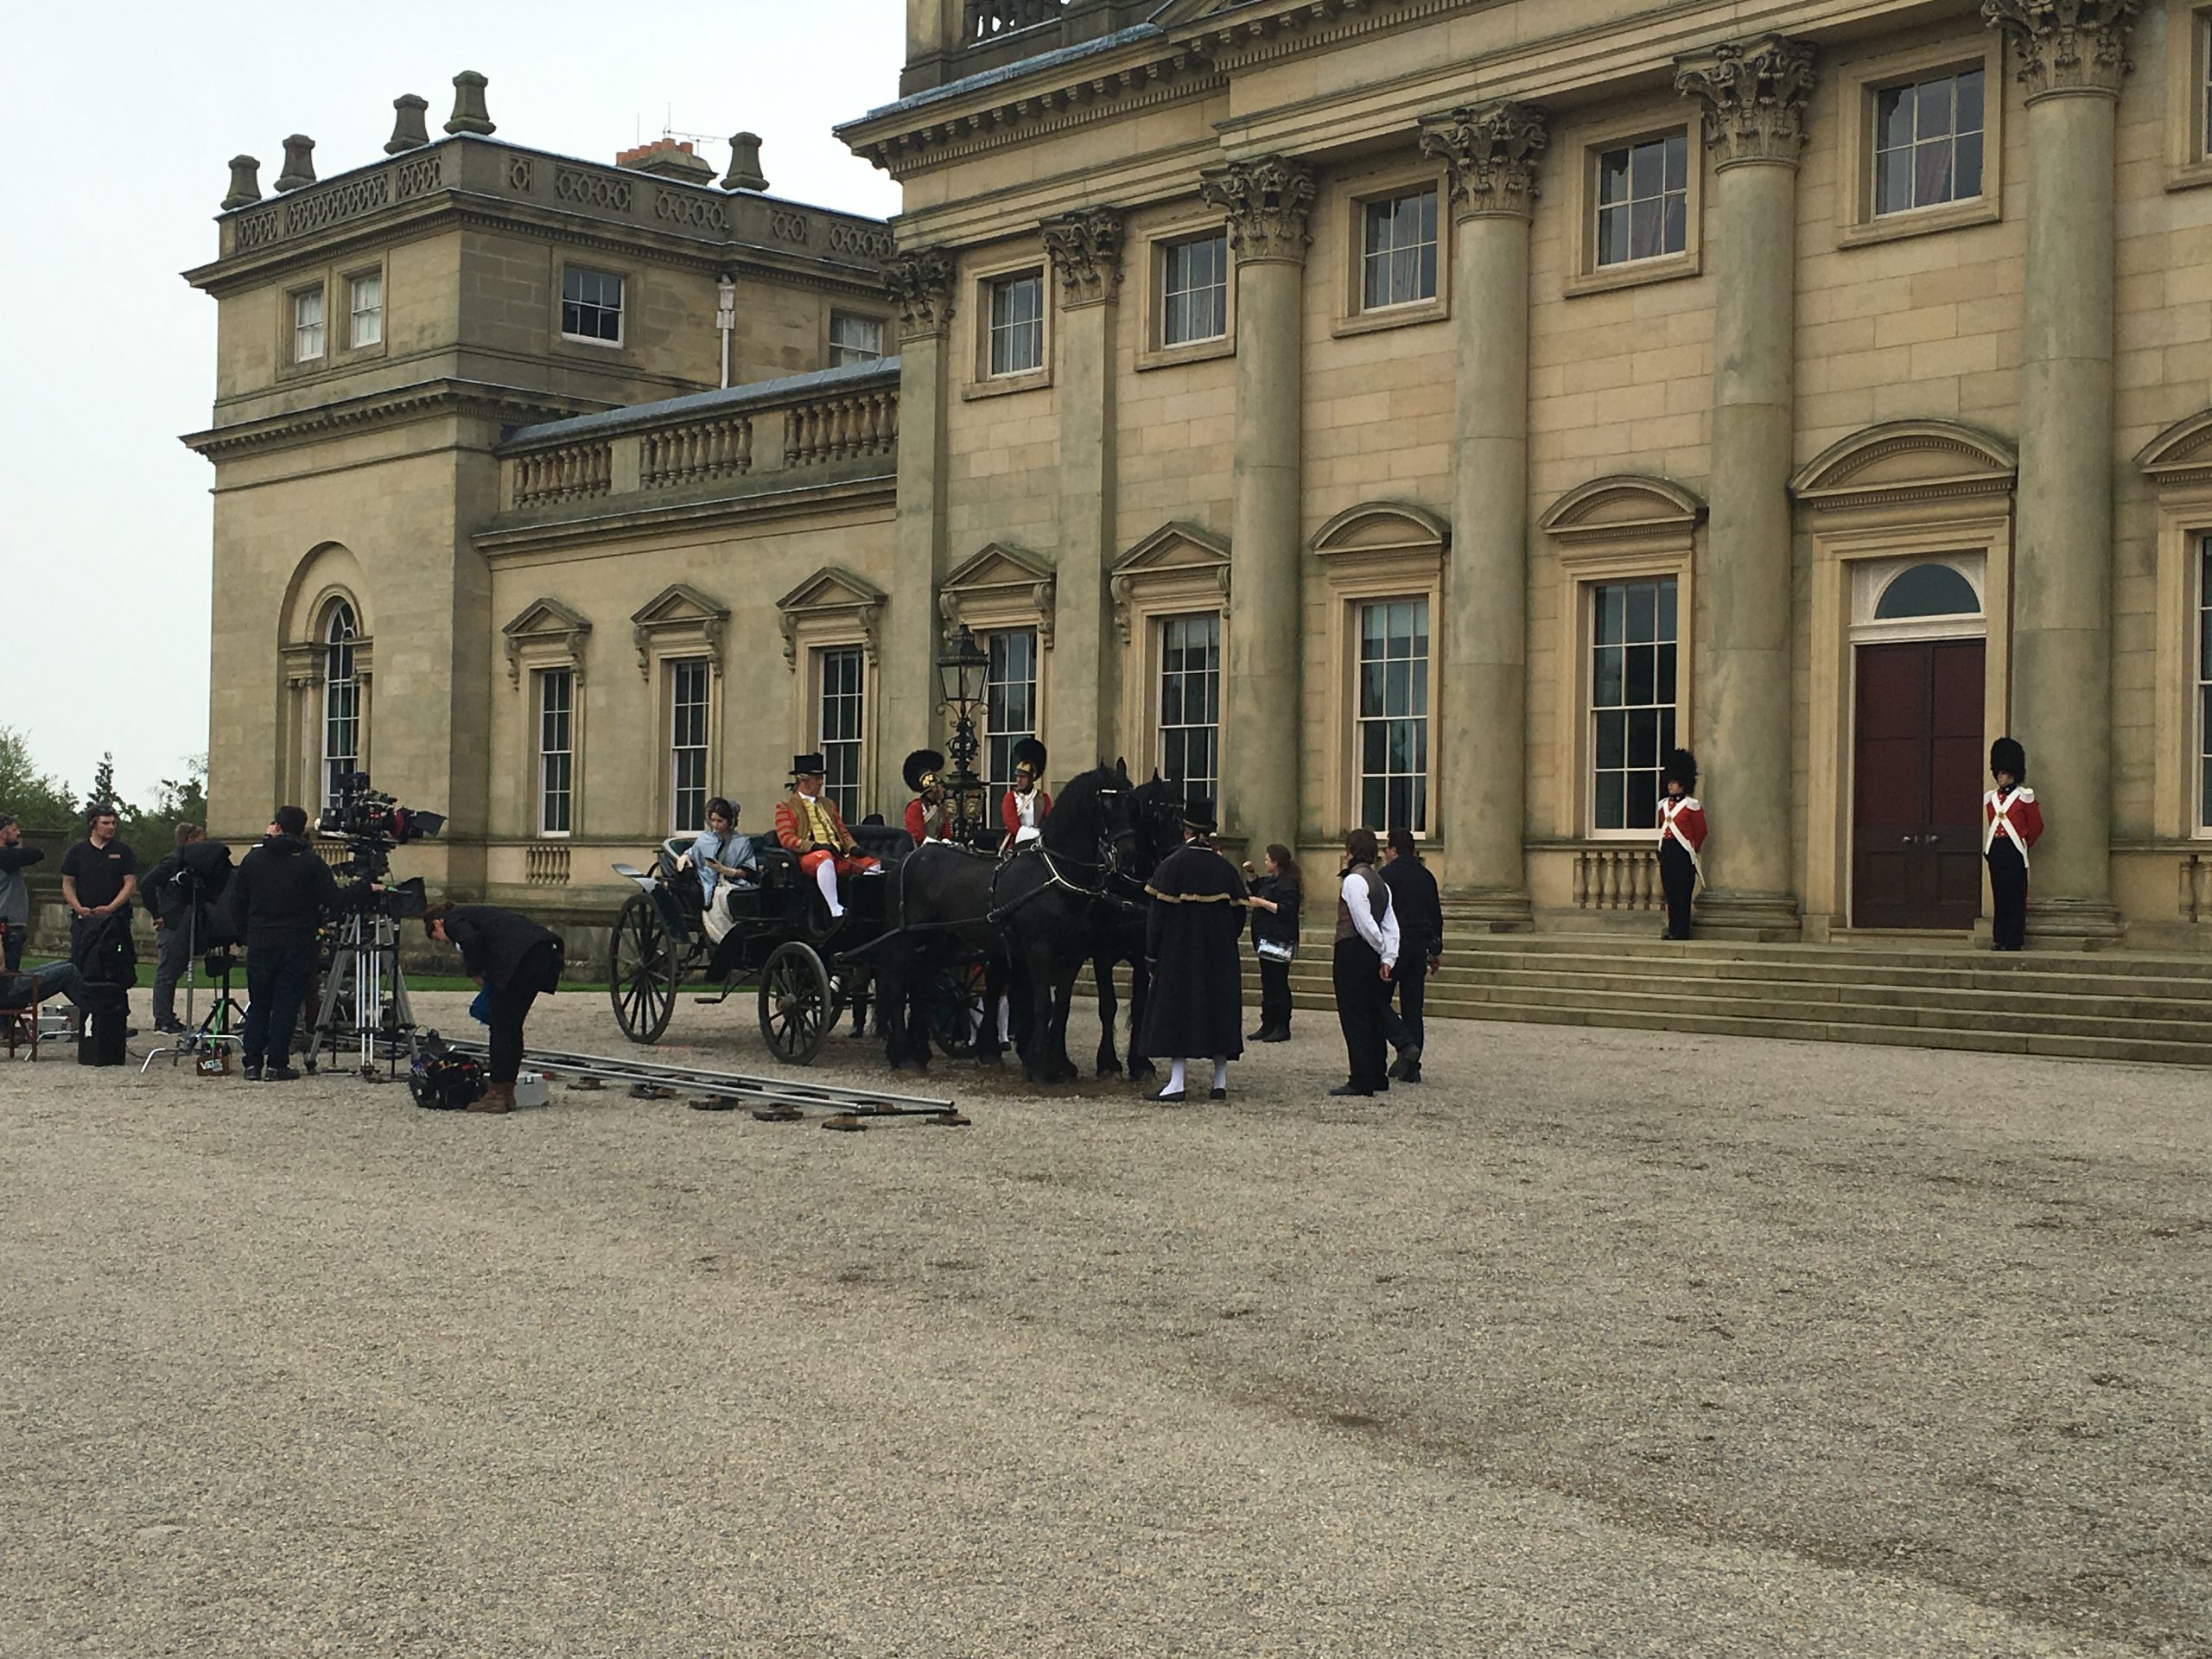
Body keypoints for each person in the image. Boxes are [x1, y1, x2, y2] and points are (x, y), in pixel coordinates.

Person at [223, 804, 359, 1082]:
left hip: (261, 938)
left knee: (259, 1003)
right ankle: (276, 1063)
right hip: (297, 939)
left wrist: (245, 934)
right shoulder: (310, 862)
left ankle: (252, 1063)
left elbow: (237, 902)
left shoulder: (254, 859)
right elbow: (334, 899)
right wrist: (364, 888)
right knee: (286, 1003)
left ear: (278, 826)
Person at [1135, 796, 1249, 1103]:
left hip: (1179, 954)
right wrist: (1222, 940)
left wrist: (1151, 955)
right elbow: (1239, 917)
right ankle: (1219, 1082)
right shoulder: (1225, 869)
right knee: (1220, 1011)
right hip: (1220, 956)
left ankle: (1177, 1083)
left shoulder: (1171, 867)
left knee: (1178, 1011)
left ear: (1185, 831)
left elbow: (1156, 919)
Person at [424, 901, 564, 1113]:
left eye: (438, 937)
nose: (446, 942)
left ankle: (497, 1093)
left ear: (437, 923)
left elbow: (471, 940)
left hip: (518, 960)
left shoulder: (453, 920)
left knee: (500, 1027)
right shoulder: (477, 913)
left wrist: (474, 972)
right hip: (542, 954)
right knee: (512, 1026)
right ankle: (507, 1090)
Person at [143, 822, 234, 1034]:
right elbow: (147, 884)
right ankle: (163, 1018)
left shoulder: (192, 864)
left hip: (184, 920)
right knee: (168, 970)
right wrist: (157, 914)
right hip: (173, 921)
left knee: (175, 969)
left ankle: (167, 1016)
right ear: (190, 841)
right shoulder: (173, 861)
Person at [1331, 827, 1400, 1099]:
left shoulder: (1354, 881)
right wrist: (1388, 956)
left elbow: (1364, 922)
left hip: (1352, 950)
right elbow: (1391, 924)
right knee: (1372, 1013)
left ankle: (1360, 1078)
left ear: (1350, 851)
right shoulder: (1381, 882)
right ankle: (1377, 1073)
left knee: (1354, 1016)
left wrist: (1381, 948)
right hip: (1371, 952)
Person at [773, 753, 879, 921]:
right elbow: (787, 839)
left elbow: (842, 832)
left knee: (873, 864)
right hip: (808, 858)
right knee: (824, 857)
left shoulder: (828, 804)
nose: (821, 782)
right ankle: (835, 909)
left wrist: (852, 847)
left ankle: (861, 905)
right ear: (803, 779)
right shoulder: (785, 806)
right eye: (817, 778)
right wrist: (814, 846)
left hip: (837, 854)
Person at [1378, 828, 1441, 1083]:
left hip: (1394, 946)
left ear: (1393, 850)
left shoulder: (1386, 875)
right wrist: (1435, 950)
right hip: (1419, 946)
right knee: (1413, 1008)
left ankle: (1402, 1046)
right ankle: (1412, 1068)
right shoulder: (1427, 876)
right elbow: (1435, 915)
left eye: (1386, 848)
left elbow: (1380, 913)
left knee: (1378, 1001)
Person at [1985, 736, 2044, 952]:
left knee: (2015, 895)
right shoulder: (1991, 798)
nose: (2000, 777)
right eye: (1998, 773)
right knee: (2000, 895)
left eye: (2004, 773)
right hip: (1997, 849)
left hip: (2014, 850)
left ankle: (2014, 939)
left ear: (2012, 773)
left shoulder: (2024, 796)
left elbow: (2036, 825)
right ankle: (2000, 938)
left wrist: (2024, 843)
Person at [60, 805, 138, 963]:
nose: (111, 827)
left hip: (115, 918)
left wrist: (110, 908)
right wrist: (78, 907)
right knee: (81, 962)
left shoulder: (123, 851)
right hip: (85, 918)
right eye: (105, 823)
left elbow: (130, 883)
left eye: (113, 823)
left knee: (117, 963)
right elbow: (67, 884)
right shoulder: (77, 851)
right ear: (93, 824)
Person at [1243, 843, 1302, 1043]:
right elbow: (1258, 887)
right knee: (1267, 982)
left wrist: (1262, 903)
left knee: (1278, 982)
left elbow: (1287, 909)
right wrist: (1251, 873)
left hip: (1280, 939)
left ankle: (1281, 1025)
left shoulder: (1289, 884)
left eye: (1268, 859)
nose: (1265, 861)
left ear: (1276, 862)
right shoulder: (1272, 881)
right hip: (1266, 938)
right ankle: (1267, 1023)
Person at [687, 797, 757, 944]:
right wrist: (685, 857)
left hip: (735, 882)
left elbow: (748, 871)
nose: (716, 825)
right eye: (713, 821)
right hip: (709, 883)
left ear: (729, 821)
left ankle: (735, 938)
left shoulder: (742, 842)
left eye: (720, 821)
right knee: (719, 895)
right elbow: (694, 852)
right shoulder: (705, 839)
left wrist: (725, 870)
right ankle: (724, 940)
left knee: (729, 896)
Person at [1656, 748, 1707, 942]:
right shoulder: (1663, 806)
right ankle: (1673, 927)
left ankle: (1682, 930)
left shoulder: (1691, 805)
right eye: (1669, 782)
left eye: (1674, 782)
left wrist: (1693, 848)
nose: (1670, 785)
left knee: (1682, 893)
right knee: (1670, 892)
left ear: (1683, 784)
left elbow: (1700, 830)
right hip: (1668, 851)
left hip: (1683, 852)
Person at [0, 813, 45, 975]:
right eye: (14, 830)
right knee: (9, 975)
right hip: (7, 925)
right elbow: (37, 853)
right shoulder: (5, 857)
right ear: (3, 833)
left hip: (8, 924)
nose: (18, 833)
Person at [1001, 738, 1052, 850]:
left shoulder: (1043, 798)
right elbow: (1012, 826)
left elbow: (1049, 821)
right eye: (1017, 776)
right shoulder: (1010, 797)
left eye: (1023, 777)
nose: (1019, 780)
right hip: (1017, 844)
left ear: (1031, 778)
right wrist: (1036, 835)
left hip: (1039, 845)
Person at [903, 750, 951, 845]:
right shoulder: (916, 807)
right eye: (941, 787)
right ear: (934, 788)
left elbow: (946, 834)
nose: (943, 790)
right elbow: (916, 836)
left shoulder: (940, 809)